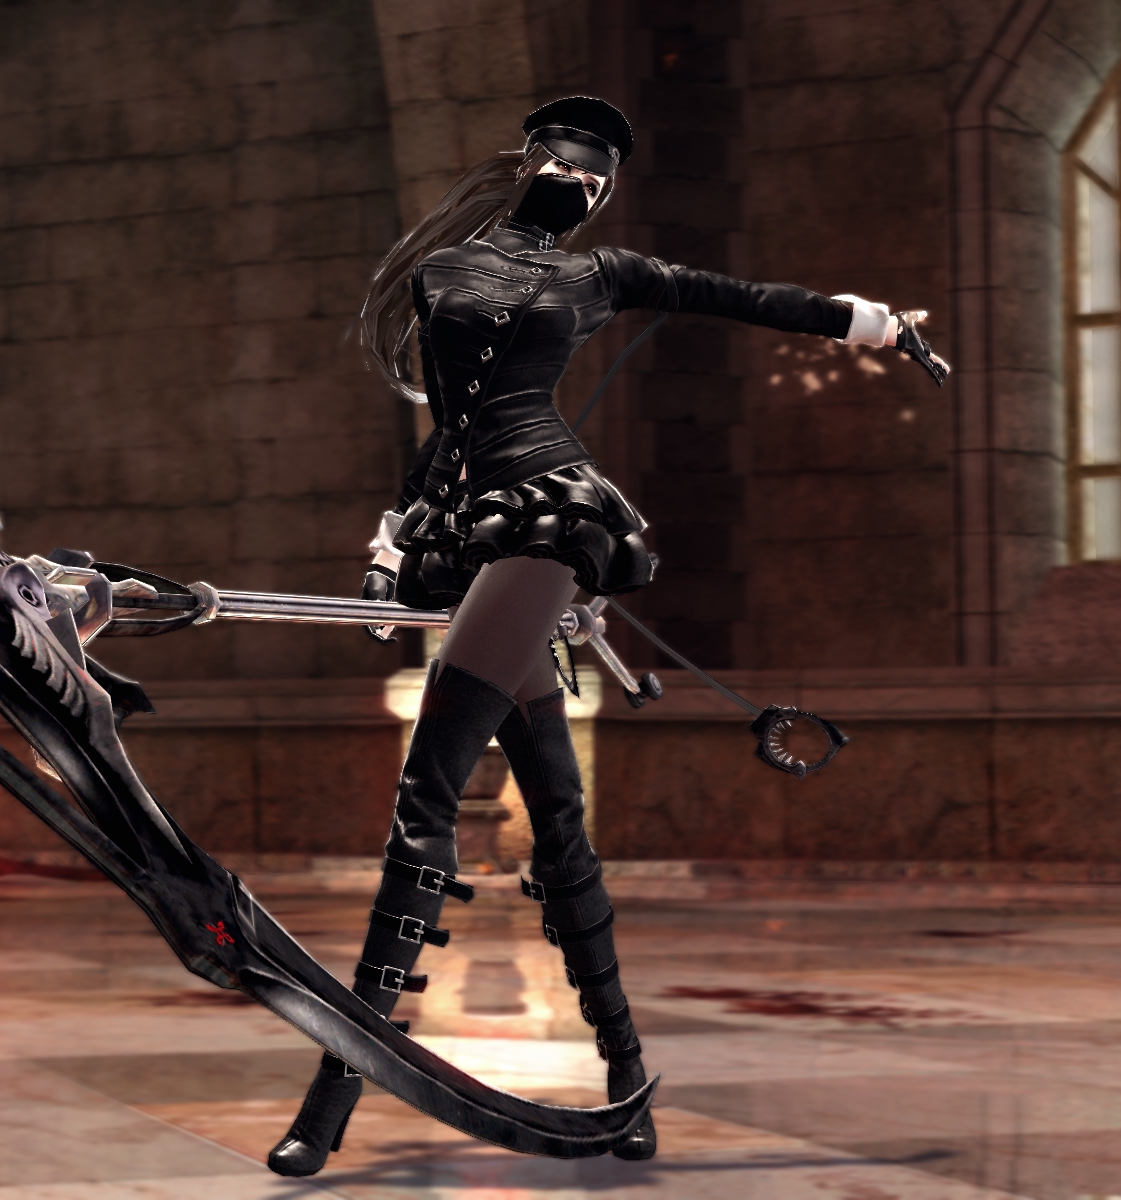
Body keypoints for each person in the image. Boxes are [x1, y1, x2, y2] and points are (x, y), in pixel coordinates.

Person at [267, 95, 946, 1177]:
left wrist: (869, 322)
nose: (582, 186)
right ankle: (628, 1083)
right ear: (528, 160)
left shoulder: (602, 275)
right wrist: (393, 537)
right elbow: (447, 428)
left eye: (599, 178)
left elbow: (740, 297)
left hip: (552, 518)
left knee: (428, 792)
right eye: (569, 164)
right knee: (559, 822)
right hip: (468, 528)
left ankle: (331, 1095)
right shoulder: (444, 272)